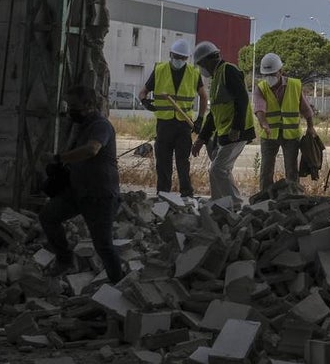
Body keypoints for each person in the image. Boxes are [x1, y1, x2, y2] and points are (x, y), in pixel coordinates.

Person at [39, 84, 124, 284]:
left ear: (88, 104)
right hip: (78, 191)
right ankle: (65, 259)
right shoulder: (79, 127)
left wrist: (58, 158)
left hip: (100, 195)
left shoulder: (100, 126)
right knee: (48, 217)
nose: (70, 110)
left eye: (74, 105)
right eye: (69, 105)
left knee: (103, 245)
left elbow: (91, 150)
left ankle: (118, 284)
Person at [137, 39, 208, 197]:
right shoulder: (160, 70)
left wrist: (200, 119)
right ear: (170, 55)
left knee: (183, 162)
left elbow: (203, 97)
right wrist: (144, 102)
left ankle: (186, 193)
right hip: (164, 125)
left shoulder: (193, 73)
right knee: (163, 162)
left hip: (183, 126)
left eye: (183, 58)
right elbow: (143, 92)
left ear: (187, 58)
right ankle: (163, 194)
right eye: (177, 57)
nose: (179, 61)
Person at [190, 41, 254, 202]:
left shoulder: (228, 71)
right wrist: (202, 138)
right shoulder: (216, 77)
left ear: (207, 61)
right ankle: (217, 202)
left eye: (200, 64)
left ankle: (235, 204)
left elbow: (242, 98)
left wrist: (236, 127)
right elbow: (214, 113)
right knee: (220, 168)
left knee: (218, 169)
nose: (201, 68)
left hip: (237, 132)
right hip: (225, 132)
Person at [253, 52, 316, 191]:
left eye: (272, 74)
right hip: (269, 135)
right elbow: (259, 108)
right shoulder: (261, 88)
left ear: (281, 71)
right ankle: (264, 197)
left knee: (292, 169)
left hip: (291, 136)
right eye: (266, 75)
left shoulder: (294, 85)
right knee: (266, 170)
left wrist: (311, 126)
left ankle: (292, 197)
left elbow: (306, 109)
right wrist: (264, 123)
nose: (269, 78)